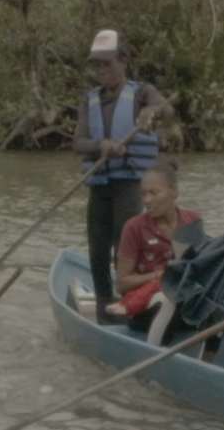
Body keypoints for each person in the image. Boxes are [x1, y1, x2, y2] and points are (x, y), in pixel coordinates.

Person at [72, 30, 169, 322]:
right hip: (100, 186)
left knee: (124, 247)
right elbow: (78, 142)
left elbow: (166, 108)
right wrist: (101, 146)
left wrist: (150, 113)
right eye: (98, 66)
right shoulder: (89, 100)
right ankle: (104, 311)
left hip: (129, 184)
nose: (103, 71)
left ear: (123, 61)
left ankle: (129, 307)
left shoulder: (142, 93)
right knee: (97, 251)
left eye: (108, 64)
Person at [112, 160, 200, 338]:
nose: (147, 200)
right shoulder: (134, 227)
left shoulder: (193, 220)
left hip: (183, 300)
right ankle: (152, 352)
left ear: (174, 191)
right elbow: (122, 284)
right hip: (145, 307)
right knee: (165, 299)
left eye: (154, 193)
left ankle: (206, 358)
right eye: (143, 194)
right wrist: (157, 276)